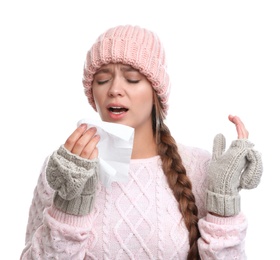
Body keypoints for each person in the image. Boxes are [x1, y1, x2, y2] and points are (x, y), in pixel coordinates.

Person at [20, 25, 263, 260]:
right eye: (102, 79)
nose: (115, 89)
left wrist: (223, 203)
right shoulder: (64, 168)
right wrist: (69, 208)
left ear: (156, 91)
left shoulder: (200, 168)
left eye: (132, 79)